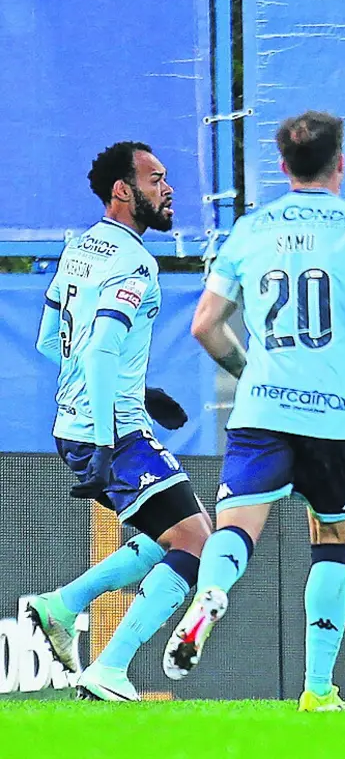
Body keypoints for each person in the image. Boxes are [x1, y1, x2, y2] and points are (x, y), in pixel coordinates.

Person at [166, 110, 345, 712]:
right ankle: (317, 690)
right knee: (331, 538)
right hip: (333, 414)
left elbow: (206, 325)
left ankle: (212, 595)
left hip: (261, 409)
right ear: (341, 162)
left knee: (234, 530)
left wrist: (247, 371)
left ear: (282, 167)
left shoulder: (251, 230)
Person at [27, 141, 212, 701]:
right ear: (123, 191)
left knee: (173, 535)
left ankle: (64, 606)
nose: (168, 188)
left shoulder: (78, 249)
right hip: (113, 433)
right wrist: (109, 435)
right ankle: (108, 669)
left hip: (76, 424)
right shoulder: (134, 261)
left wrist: (138, 389)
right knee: (201, 545)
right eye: (156, 179)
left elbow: (50, 342)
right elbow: (103, 346)